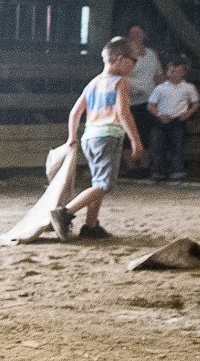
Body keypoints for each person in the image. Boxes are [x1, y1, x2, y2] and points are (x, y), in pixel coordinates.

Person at [50, 36, 145, 242]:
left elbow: (75, 112)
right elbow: (123, 112)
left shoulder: (93, 83)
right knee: (104, 184)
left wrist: (72, 137)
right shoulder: (120, 82)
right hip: (108, 136)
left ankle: (91, 226)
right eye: (134, 60)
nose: (134, 64)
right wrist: (136, 140)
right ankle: (65, 212)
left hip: (89, 137)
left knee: (97, 182)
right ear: (119, 59)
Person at [147, 57, 200, 182]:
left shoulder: (188, 87)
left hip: (178, 121)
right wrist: (159, 114)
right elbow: (151, 105)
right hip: (162, 120)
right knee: (158, 147)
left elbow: (196, 103)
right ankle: (158, 172)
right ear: (167, 72)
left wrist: (187, 114)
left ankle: (177, 173)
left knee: (177, 147)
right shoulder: (160, 88)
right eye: (172, 71)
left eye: (178, 71)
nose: (174, 74)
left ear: (183, 73)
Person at [124, 23, 164, 172]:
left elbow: (158, 75)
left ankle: (145, 165)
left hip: (148, 100)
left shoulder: (151, 54)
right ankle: (131, 167)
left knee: (145, 133)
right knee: (129, 133)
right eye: (132, 34)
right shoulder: (126, 55)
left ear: (144, 35)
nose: (136, 37)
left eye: (139, 33)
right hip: (129, 100)